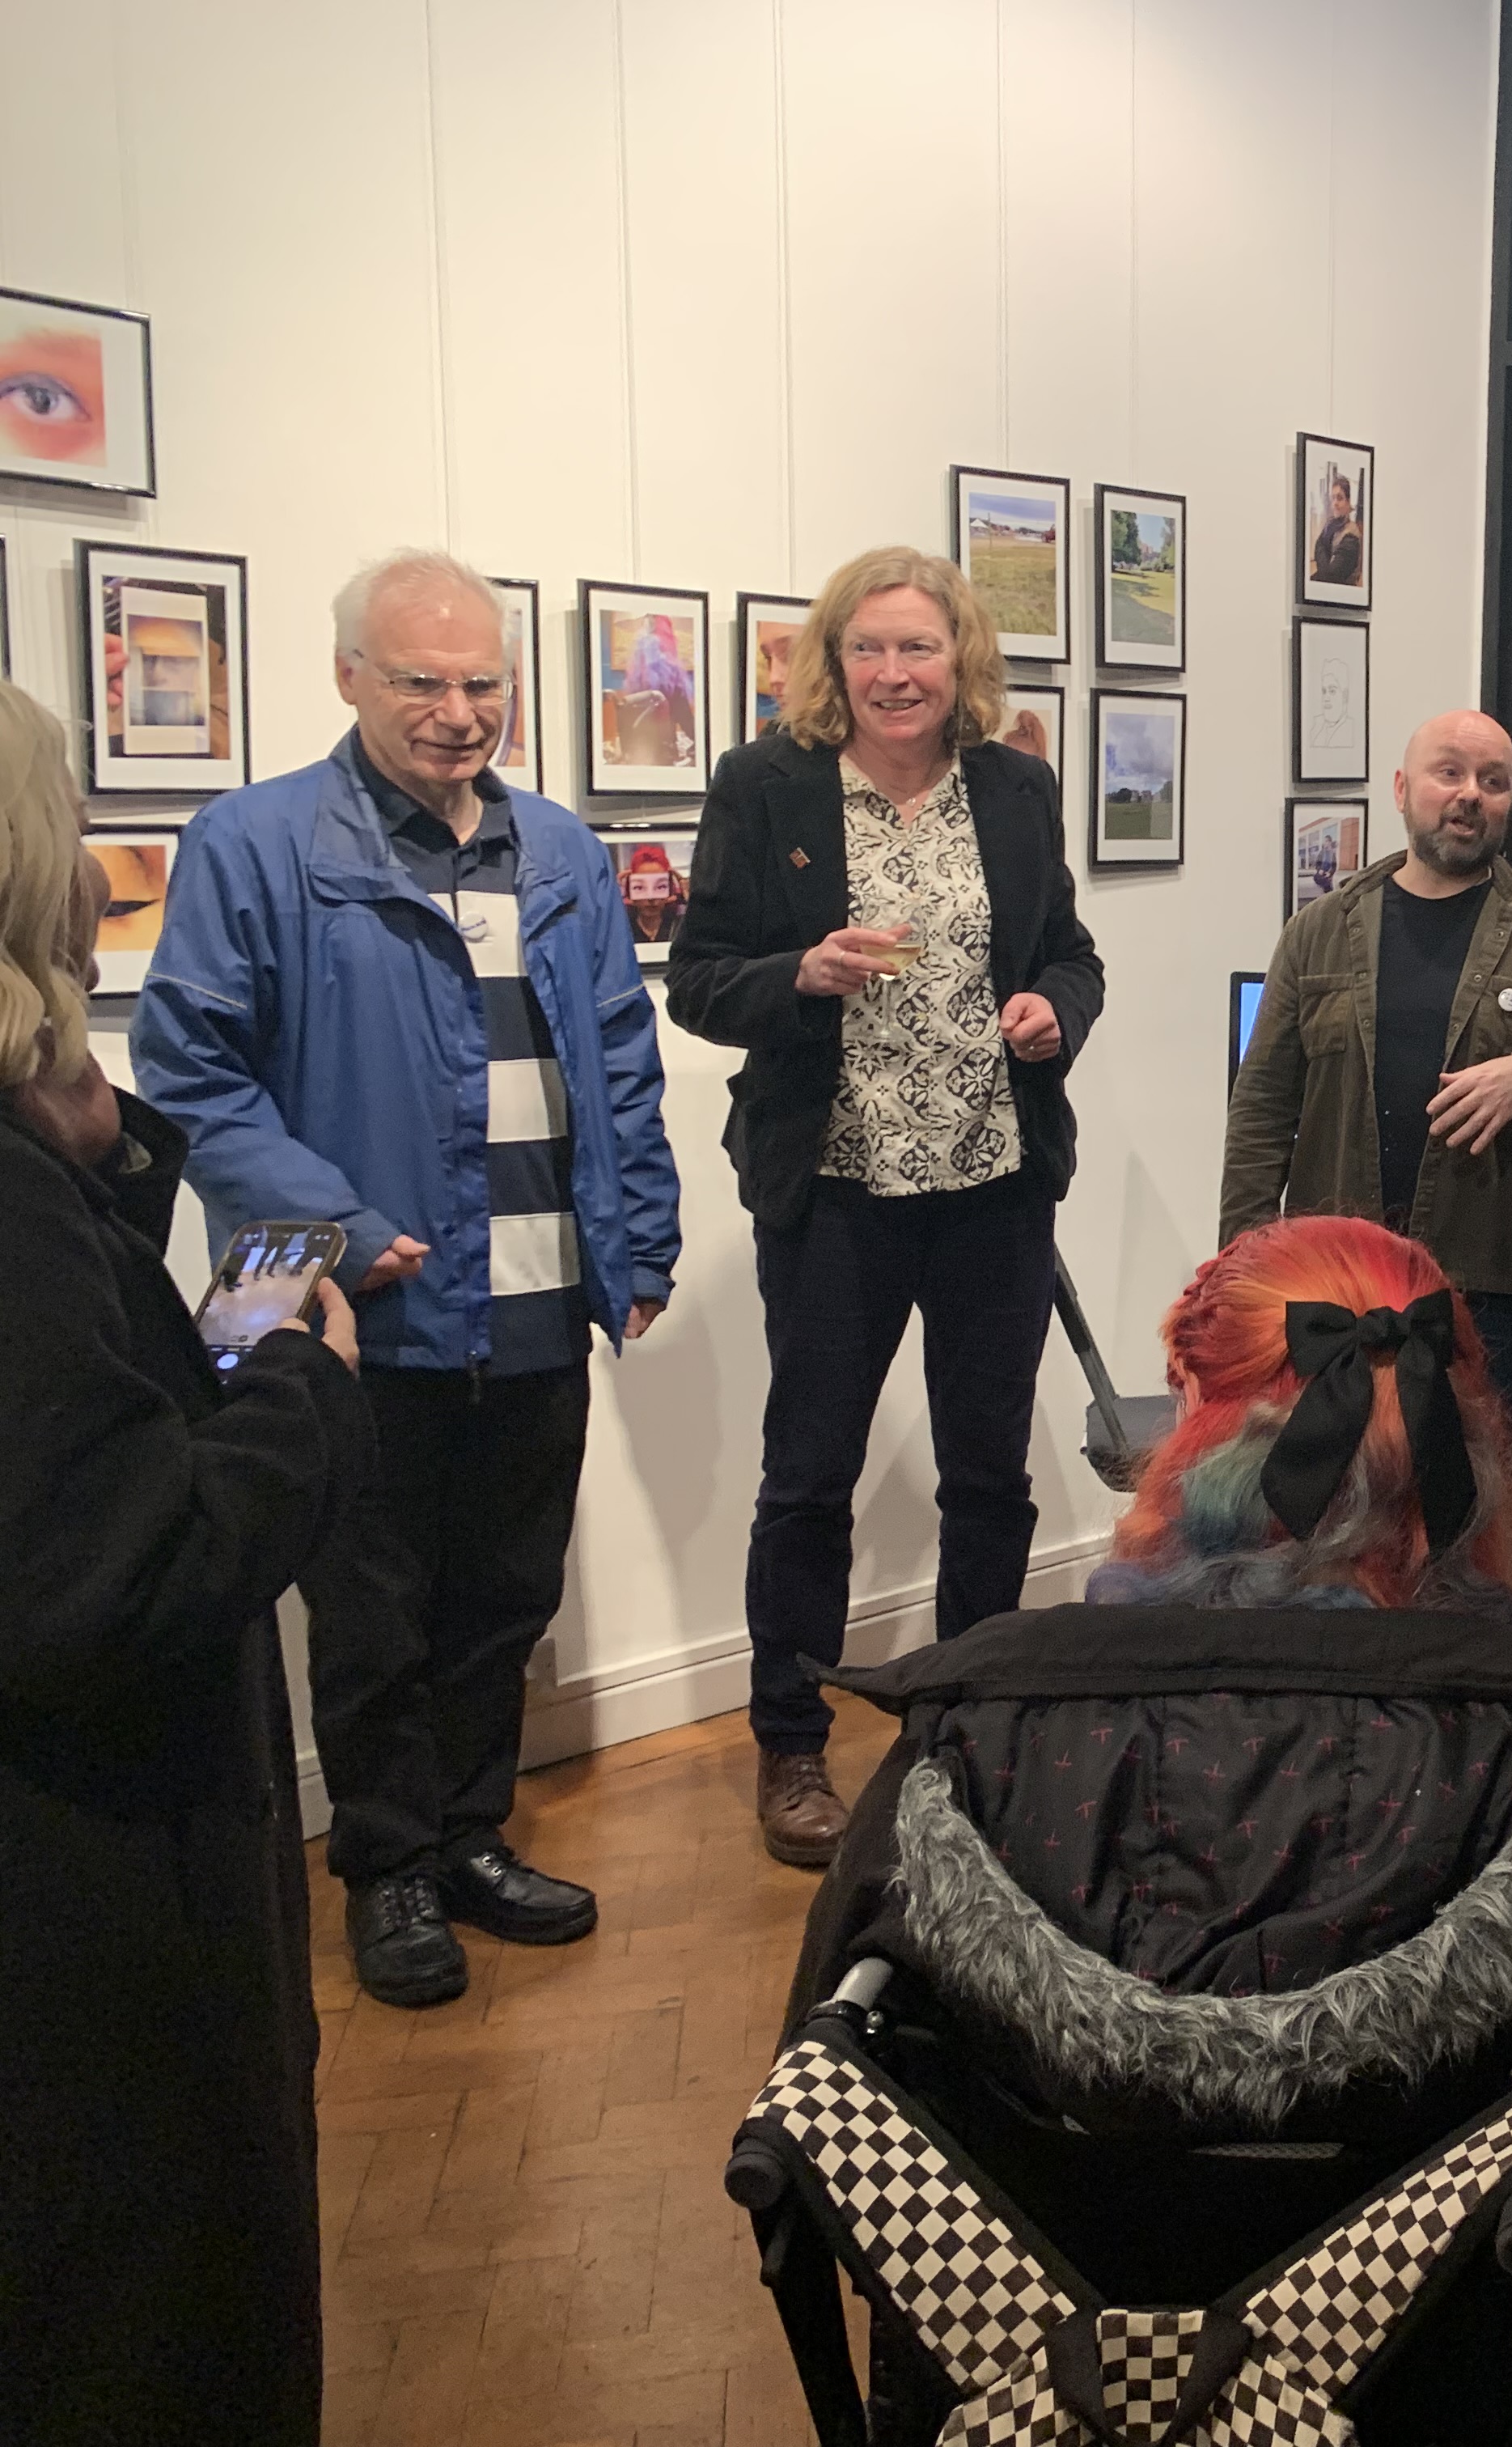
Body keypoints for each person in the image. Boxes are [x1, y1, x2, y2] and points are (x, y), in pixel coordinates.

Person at [781, 1216, 1512, 2428]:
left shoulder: (973, 1735)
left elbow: (835, 2081)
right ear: (1468, 1434)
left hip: (1037, 2383)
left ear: (1189, 1415)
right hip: (1438, 2391)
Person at [134, 549, 680, 2012]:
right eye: (422, 681)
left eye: (481, 681)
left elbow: (620, 1060)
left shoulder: (558, 848)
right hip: (347, 1309)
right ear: (349, 680)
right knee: (369, 1608)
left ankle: (468, 1835)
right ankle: (384, 1864)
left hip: (534, 1292)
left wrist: (639, 1237)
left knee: (504, 1590)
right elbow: (188, 1072)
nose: (457, 710)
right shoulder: (251, 844)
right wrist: (338, 1217)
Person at [1, 679, 372, 2442]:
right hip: (98, 1950)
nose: (94, 882)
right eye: (64, 834)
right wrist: (297, 1381)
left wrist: (94, 1136)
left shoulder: (35, 1162)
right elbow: (119, 1561)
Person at [667, 545, 1103, 1871]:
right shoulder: (766, 785)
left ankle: (968, 1724)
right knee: (808, 1479)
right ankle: (791, 1739)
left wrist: (1052, 1015)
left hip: (991, 1186)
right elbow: (695, 980)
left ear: (960, 659)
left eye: (921, 648)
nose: (897, 673)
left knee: (989, 1478)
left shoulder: (1016, 788)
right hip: (839, 1188)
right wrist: (798, 969)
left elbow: (1071, 958)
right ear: (832, 662)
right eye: (872, 647)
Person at [1219, 708, 1512, 1476]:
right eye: (1451, 773)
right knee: (1336, 1503)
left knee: (1486, 1512)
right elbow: (1262, 1108)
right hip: (1337, 1279)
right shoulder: (1319, 932)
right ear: (1403, 790)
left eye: (1494, 781)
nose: (1471, 794)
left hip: (1488, 1283)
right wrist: (1245, 1267)